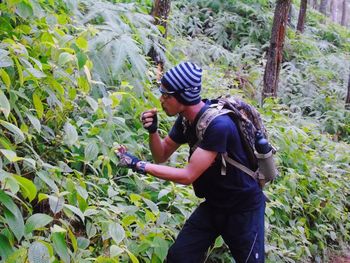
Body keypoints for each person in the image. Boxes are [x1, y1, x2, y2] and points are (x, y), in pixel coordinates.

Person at [116, 62, 266, 262]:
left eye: (167, 95)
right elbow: (161, 155)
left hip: (243, 209)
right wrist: (153, 133)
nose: (161, 100)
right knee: (178, 257)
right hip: (214, 205)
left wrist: (138, 165)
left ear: (184, 96)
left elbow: (188, 176)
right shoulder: (186, 120)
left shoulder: (219, 126)